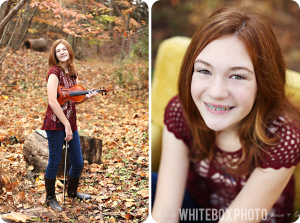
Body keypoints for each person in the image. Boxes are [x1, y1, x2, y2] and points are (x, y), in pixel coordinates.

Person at [152, 7, 300, 223]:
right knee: (151, 183)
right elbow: (165, 214)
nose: (216, 93)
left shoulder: (284, 137)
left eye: (238, 76)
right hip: (197, 208)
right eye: (204, 71)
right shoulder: (180, 110)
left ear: (263, 83)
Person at [41, 39, 98, 211]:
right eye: (58, 50)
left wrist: (86, 97)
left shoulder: (73, 72)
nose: (62, 52)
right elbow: (52, 101)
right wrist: (65, 124)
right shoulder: (54, 72)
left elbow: (71, 100)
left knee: (79, 162)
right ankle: (50, 198)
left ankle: (72, 192)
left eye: (64, 49)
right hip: (55, 122)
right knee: (55, 161)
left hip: (70, 121)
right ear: (55, 54)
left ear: (69, 51)